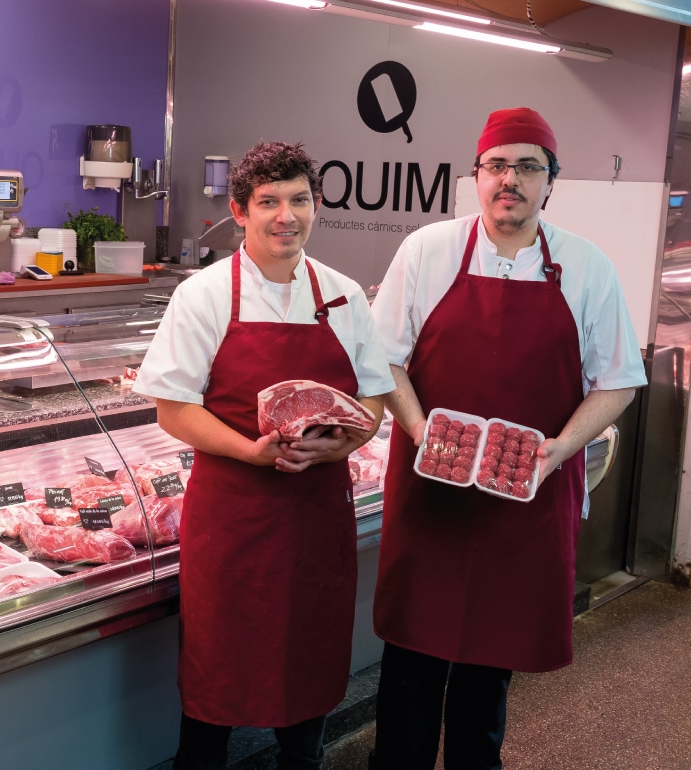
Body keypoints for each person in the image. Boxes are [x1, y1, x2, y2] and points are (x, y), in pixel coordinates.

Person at [368, 107, 648, 769]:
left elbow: (618, 382)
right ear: (476, 175)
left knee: (489, 665)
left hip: (527, 499)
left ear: (550, 180)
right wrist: (422, 432)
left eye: (528, 166)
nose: (509, 180)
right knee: (410, 661)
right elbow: (382, 359)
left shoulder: (586, 266)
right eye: (496, 165)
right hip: (431, 497)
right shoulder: (429, 250)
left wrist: (558, 450)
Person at [133, 140, 395, 769]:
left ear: (316, 206)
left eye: (299, 200)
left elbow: (373, 399)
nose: (286, 216)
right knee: (215, 679)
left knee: (309, 672)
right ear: (240, 211)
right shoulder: (203, 294)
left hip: (317, 516)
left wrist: (340, 445)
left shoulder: (343, 295)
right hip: (233, 519)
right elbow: (172, 409)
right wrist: (250, 453)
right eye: (269, 202)